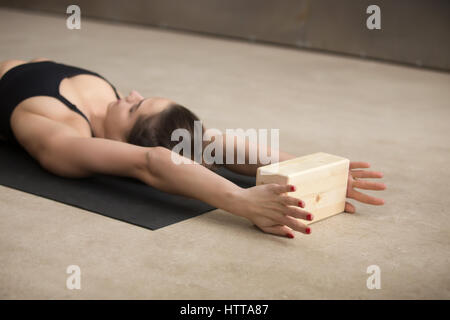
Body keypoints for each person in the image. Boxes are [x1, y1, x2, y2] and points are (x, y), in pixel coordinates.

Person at [0, 58, 386, 238]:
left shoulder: (83, 128)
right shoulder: (65, 137)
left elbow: (189, 147)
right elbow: (153, 159)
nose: (131, 93)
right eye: (137, 101)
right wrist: (241, 198)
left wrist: (311, 167)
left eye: (135, 105)